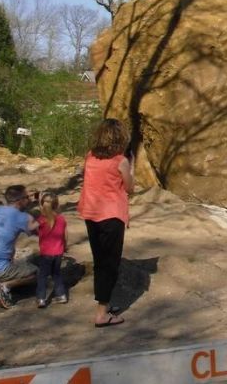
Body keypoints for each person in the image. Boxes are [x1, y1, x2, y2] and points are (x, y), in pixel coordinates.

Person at [78, 118, 134, 328]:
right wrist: (131, 169)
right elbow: (130, 188)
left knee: (100, 260)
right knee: (109, 265)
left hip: (91, 213)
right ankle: (101, 314)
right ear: (120, 138)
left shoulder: (90, 156)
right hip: (111, 215)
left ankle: (105, 303)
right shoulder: (121, 161)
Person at [36, 192, 68, 308]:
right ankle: (62, 295)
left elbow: (35, 226)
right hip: (59, 252)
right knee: (57, 274)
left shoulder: (41, 220)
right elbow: (65, 235)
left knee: (42, 276)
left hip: (46, 254)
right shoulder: (61, 219)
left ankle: (41, 299)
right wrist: (65, 246)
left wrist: (40, 201)